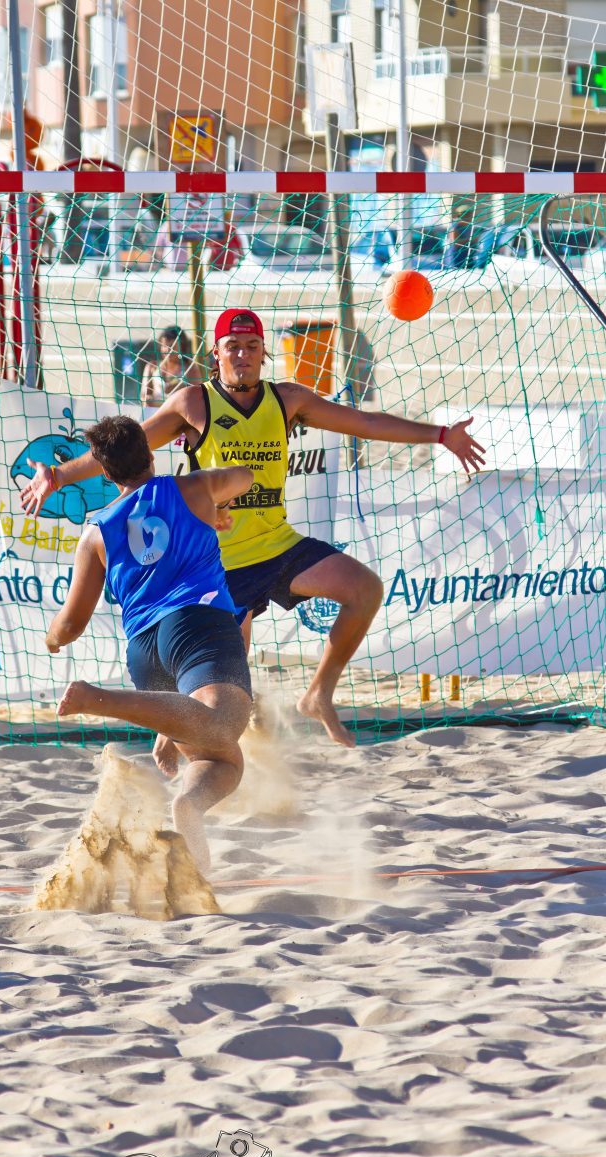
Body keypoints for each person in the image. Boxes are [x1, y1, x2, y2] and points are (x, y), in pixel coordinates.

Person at [24, 308, 486, 752]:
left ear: (264, 352)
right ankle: (170, 745)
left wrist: (442, 434)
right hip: (217, 565)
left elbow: (363, 422)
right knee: (222, 702)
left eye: (251, 346)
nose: (242, 354)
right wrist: (60, 475)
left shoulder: (288, 399)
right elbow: (128, 445)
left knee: (364, 588)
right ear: (216, 355)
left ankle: (317, 695)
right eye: (233, 346)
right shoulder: (193, 402)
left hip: (277, 544)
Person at [46, 414, 254, 872]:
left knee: (219, 757)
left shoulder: (96, 532)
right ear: (152, 452)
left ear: (105, 472)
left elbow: (70, 625)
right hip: (197, 623)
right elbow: (245, 476)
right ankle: (101, 699)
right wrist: (213, 503)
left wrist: (51, 639)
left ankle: (190, 813)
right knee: (224, 731)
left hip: (144, 649)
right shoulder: (193, 489)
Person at [140, 325, 200, 407]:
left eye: (172, 345)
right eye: (164, 345)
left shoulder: (190, 368)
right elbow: (144, 397)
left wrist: (180, 387)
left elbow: (197, 397)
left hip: (180, 416)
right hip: (154, 414)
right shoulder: (152, 367)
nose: (167, 350)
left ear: (182, 346)